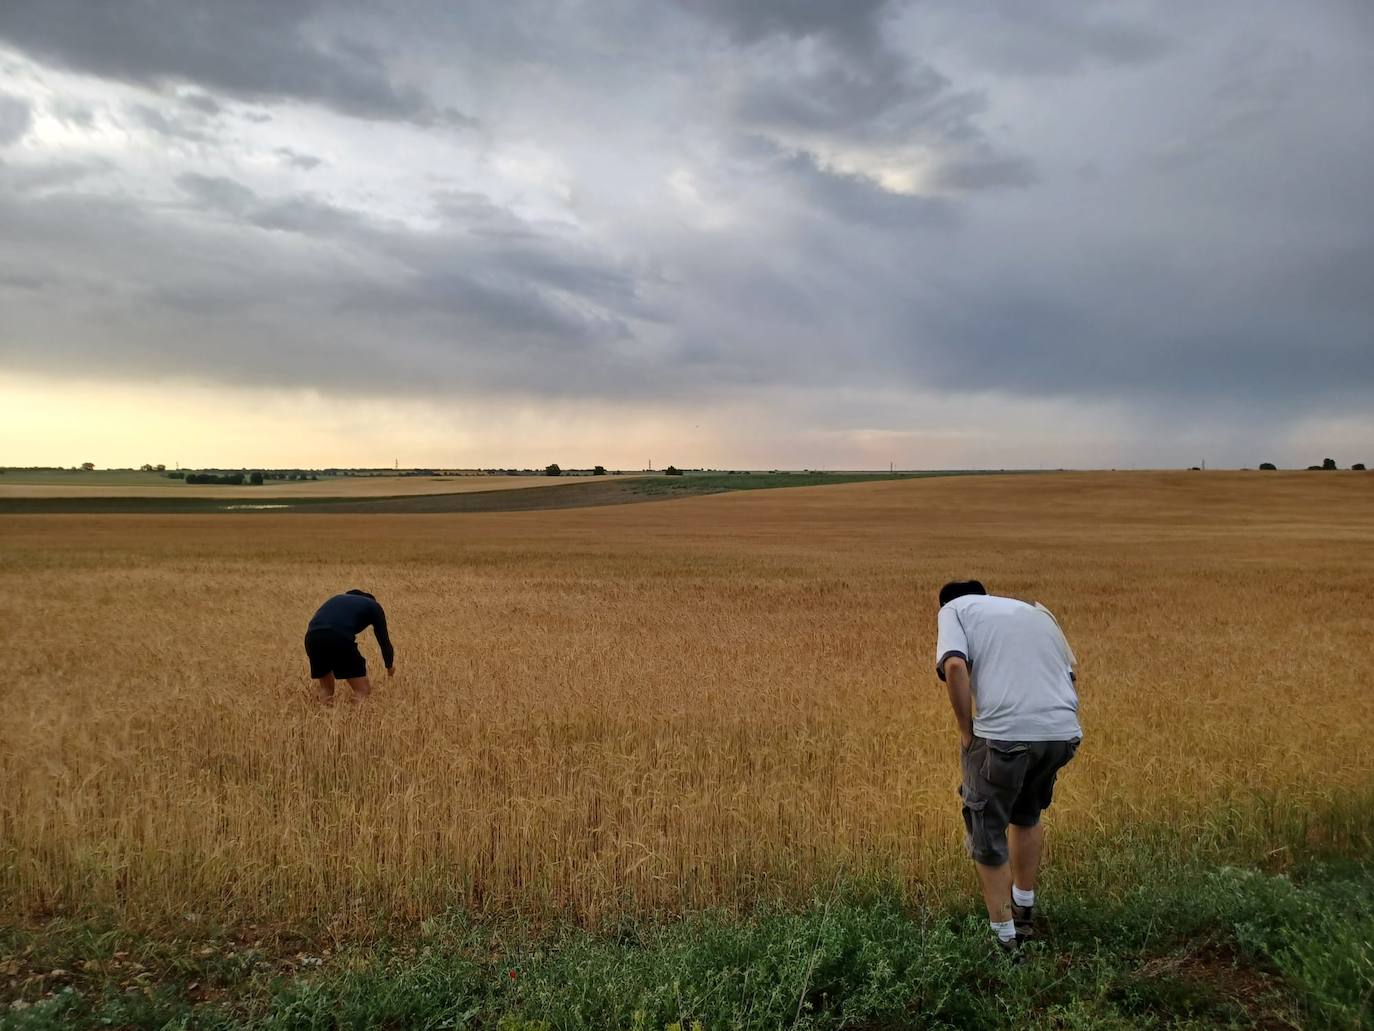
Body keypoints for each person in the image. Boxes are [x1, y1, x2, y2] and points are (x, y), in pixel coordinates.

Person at [934, 579, 1081, 955]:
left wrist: (967, 732)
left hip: (1004, 737)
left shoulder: (954, 609)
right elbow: (1070, 673)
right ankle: (1025, 912)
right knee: (1027, 815)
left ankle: (1004, 942)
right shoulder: (1034, 612)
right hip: (1062, 734)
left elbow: (953, 665)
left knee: (987, 833)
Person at [304, 589, 395, 703]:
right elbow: (384, 640)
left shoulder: (336, 599)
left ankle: (322, 717)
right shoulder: (373, 605)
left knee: (326, 689)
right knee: (362, 690)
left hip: (312, 637)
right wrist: (389, 666)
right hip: (338, 637)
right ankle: (358, 719)